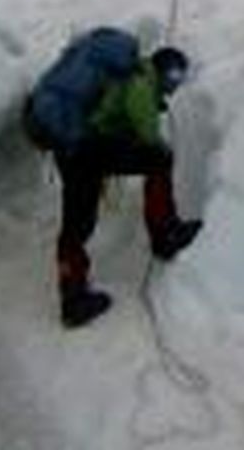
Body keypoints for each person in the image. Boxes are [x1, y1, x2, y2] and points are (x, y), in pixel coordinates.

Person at [27, 37, 203, 328]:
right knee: (161, 159)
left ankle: (73, 294)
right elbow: (148, 136)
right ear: (164, 70)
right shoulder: (141, 82)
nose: (175, 85)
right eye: (175, 77)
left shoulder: (123, 75)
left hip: (70, 147)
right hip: (87, 150)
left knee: (76, 221)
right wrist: (155, 136)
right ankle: (165, 234)